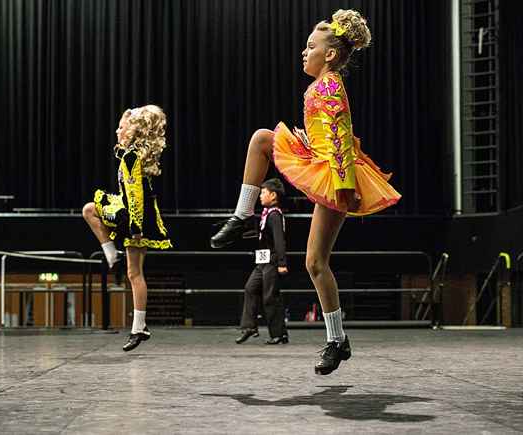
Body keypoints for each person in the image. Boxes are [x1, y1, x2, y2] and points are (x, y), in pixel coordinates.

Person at [211, 10, 401, 374]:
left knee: (315, 262)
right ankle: (241, 216)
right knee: (262, 140)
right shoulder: (319, 85)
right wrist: (305, 141)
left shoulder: (329, 85)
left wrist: (344, 187)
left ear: (329, 55)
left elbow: (342, 137)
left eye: (311, 46)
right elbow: (325, 133)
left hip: (335, 174)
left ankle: (336, 340)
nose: (304, 51)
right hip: (320, 161)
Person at [82, 105, 172, 351]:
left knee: (134, 274)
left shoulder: (132, 156)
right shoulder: (131, 154)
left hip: (135, 216)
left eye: (121, 127)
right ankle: (113, 256)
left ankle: (139, 326)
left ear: (132, 132)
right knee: (134, 273)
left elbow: (135, 194)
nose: (116, 130)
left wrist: (135, 228)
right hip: (133, 212)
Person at [236, 178, 289, 345]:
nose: (260, 196)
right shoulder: (266, 214)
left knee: (269, 297)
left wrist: (282, 263)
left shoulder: (274, 215)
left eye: (263, 193)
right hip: (263, 260)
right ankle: (249, 326)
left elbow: (279, 240)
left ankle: (279, 334)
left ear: (273, 195)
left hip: (272, 260)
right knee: (250, 288)